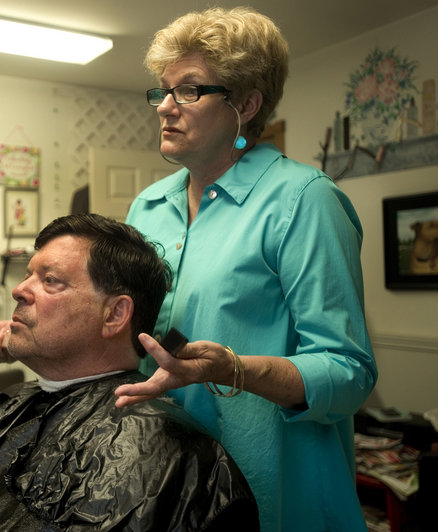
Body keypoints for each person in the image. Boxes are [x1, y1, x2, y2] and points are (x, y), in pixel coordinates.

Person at [106, 7, 377, 532]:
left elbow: (349, 374)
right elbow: (129, 331)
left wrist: (233, 369)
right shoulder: (147, 207)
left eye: (188, 91)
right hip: (168, 479)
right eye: (162, 90)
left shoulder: (304, 201)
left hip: (274, 492)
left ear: (246, 105)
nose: (164, 107)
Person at [0, 213, 259, 531]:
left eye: (50, 281)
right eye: (29, 274)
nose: (19, 289)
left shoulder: (170, 457)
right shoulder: (17, 404)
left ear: (115, 314)